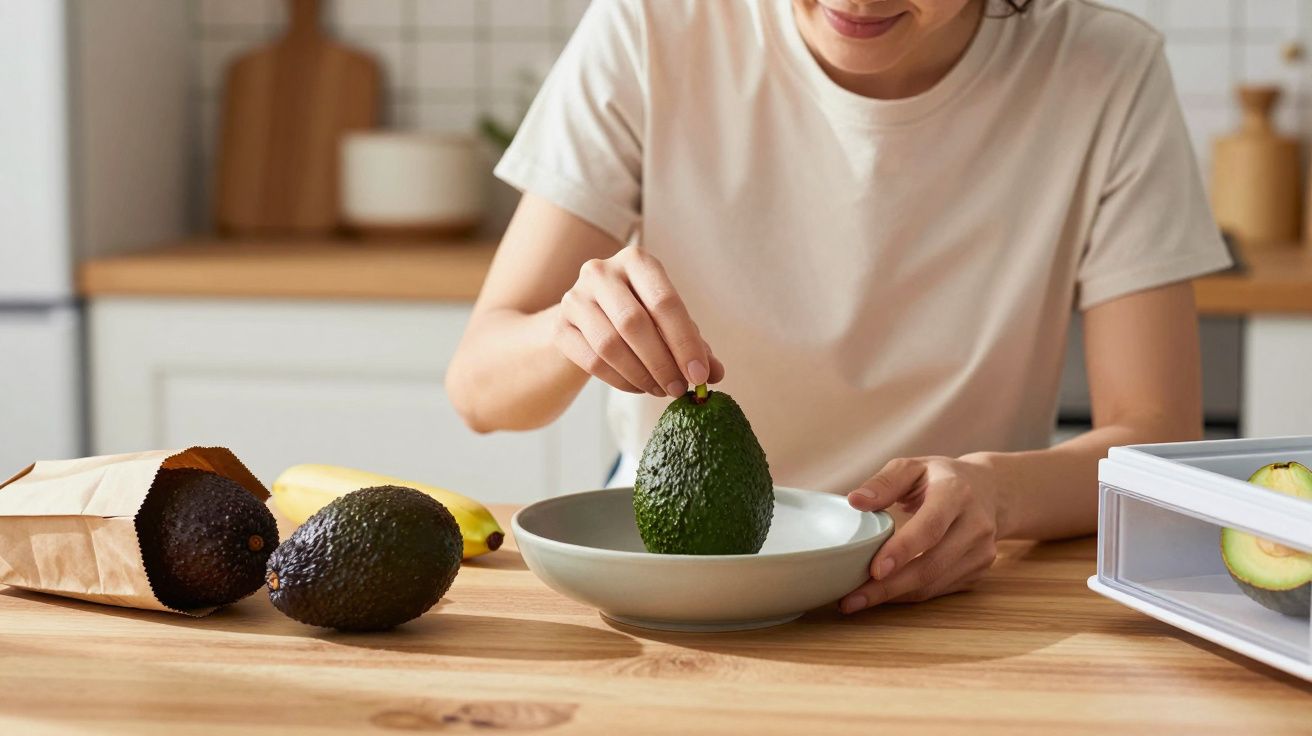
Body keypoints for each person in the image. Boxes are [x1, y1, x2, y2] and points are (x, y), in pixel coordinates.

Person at [446, 0, 1232, 614]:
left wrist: (999, 492)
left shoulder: (1106, 72)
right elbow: (480, 386)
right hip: (680, 574)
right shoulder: (651, 26)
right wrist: (570, 330)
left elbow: (1157, 435)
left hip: (943, 578)